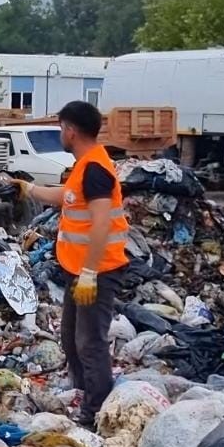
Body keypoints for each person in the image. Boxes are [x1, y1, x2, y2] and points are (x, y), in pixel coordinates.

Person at [14, 101, 130, 429]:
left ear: (70, 130)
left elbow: (102, 223)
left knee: (89, 342)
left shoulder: (95, 168)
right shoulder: (85, 164)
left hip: (97, 271)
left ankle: (95, 413)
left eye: (61, 128)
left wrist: (91, 273)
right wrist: (29, 188)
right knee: (70, 337)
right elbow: (66, 196)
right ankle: (82, 393)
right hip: (79, 270)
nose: (60, 134)